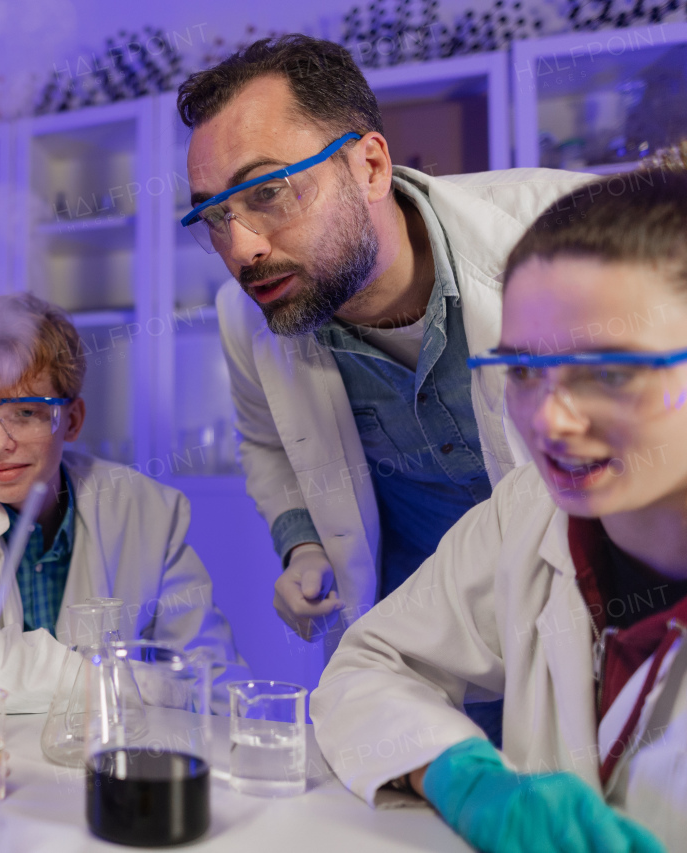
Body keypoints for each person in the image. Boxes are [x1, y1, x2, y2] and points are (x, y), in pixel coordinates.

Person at [177, 34, 590, 688]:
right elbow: (267, 442)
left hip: (599, 631)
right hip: (423, 659)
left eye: (267, 192)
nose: (242, 247)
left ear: (369, 166)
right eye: (215, 216)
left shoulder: (570, 233)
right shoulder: (246, 316)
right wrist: (302, 542)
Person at [310, 168, 687, 851]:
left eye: (608, 371)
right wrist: (463, 776)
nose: (550, 420)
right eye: (523, 371)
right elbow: (368, 665)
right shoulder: (530, 512)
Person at [0, 293, 246, 712]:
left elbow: (214, 682)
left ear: (71, 420)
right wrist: (132, 686)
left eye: (25, 413)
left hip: (112, 766)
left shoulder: (146, 511)